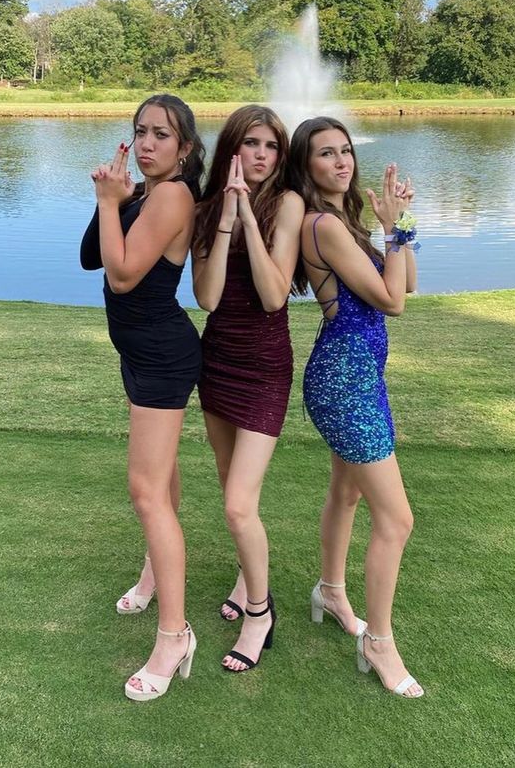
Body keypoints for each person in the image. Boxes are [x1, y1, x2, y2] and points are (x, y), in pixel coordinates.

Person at [287, 116, 423, 698]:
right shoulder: (323, 226)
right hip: (345, 382)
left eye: (346, 151)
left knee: (346, 493)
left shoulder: (348, 222)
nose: (342, 162)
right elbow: (391, 301)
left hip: (361, 375)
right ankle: (380, 642)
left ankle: (332, 591)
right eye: (326, 154)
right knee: (397, 519)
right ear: (306, 165)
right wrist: (390, 232)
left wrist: (402, 226)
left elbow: (408, 284)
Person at [79, 94, 204, 701]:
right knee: (164, 477)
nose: (148, 143)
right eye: (140, 132)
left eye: (162, 134)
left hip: (161, 356)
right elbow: (89, 258)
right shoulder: (147, 196)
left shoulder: (176, 195)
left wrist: (113, 206)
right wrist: (113, 200)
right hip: (139, 352)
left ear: (185, 148)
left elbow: (123, 274)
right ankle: (156, 574)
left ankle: (174, 636)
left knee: (145, 489)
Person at [192, 105, 305, 672]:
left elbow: (273, 295)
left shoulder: (287, 204)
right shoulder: (208, 209)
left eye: (271, 147)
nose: (261, 156)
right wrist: (228, 213)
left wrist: (249, 219)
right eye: (251, 144)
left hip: (264, 369)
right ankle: (245, 576)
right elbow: (207, 298)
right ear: (231, 149)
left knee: (239, 506)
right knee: (232, 491)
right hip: (217, 363)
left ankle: (260, 613)